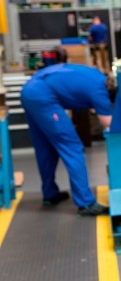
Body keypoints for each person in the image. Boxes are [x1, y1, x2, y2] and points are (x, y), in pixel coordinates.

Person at [21, 63, 113, 216]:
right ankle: (85, 203)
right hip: (42, 96)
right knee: (72, 147)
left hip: (29, 90)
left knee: (45, 148)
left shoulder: (97, 75)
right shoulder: (100, 91)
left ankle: (50, 194)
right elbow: (108, 124)